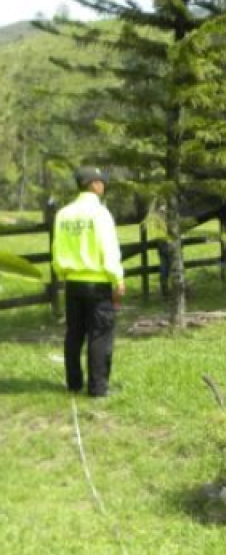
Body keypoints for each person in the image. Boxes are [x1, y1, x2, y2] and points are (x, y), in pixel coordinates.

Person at [52, 166, 125, 397]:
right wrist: (117, 279)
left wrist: (63, 273)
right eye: (102, 181)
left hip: (72, 283)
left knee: (74, 334)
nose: (104, 185)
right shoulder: (100, 214)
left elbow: (57, 249)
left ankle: (74, 384)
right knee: (100, 335)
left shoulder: (63, 214)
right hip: (98, 283)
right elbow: (109, 249)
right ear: (94, 184)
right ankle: (98, 388)